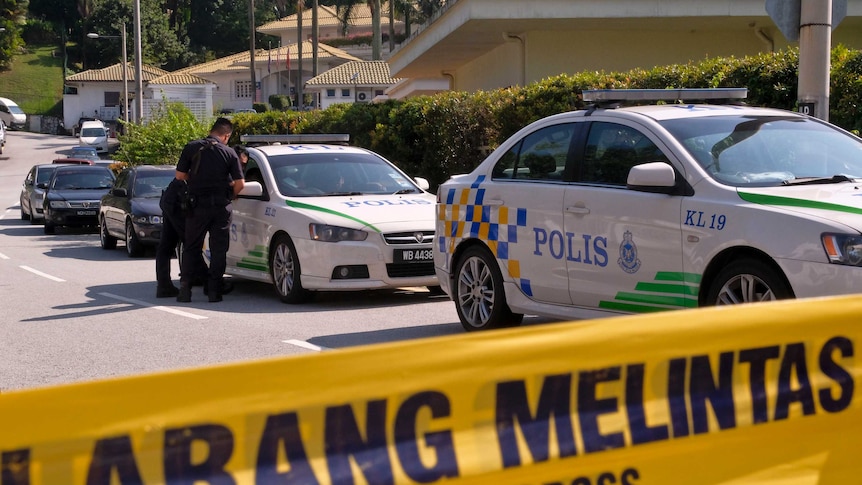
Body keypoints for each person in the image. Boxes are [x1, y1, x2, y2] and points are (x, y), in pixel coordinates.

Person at [175, 118, 245, 303]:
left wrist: (196, 181)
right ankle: (214, 291)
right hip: (221, 206)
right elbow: (240, 183)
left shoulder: (191, 147)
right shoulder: (229, 153)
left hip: (196, 205)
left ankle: (185, 290)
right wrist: (232, 195)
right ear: (226, 135)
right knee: (218, 249)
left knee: (191, 247)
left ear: (211, 131)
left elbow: (180, 175)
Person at [154, 178, 207, 297]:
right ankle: (208, 281)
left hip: (172, 197)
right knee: (191, 244)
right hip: (179, 200)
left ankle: (164, 285)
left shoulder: (199, 159)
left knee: (167, 244)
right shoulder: (206, 159)